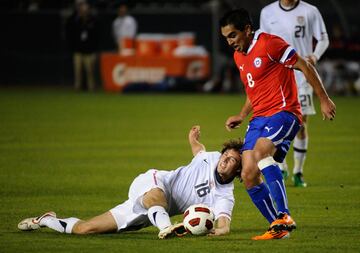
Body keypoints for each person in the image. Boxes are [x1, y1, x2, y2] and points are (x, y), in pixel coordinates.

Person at [220, 8, 335, 240]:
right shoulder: (239, 56)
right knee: (249, 173)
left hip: (285, 112)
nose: (230, 42)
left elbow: (304, 65)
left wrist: (323, 98)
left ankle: (284, 215)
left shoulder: (270, 44)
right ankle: (278, 227)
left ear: (247, 30)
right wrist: (242, 115)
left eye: (233, 35)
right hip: (258, 118)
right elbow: (253, 89)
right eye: (226, 38)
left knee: (262, 152)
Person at [18, 126, 243, 239]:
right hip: (154, 182)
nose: (225, 160)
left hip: (150, 213)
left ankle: (47, 220)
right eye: (226, 155)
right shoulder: (211, 157)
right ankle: (166, 229)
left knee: (86, 229)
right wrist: (193, 140)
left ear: (239, 171)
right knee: (157, 197)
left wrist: (221, 231)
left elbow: (224, 221)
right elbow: (200, 152)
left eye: (232, 160)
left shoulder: (224, 195)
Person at [260, 0, 330, 187]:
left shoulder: (310, 11)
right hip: (276, 77)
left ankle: (298, 171)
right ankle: (281, 167)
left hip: (301, 76)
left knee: (300, 124)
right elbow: (261, 41)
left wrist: (314, 56)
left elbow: (323, 38)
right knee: (276, 121)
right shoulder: (267, 12)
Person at [65, 0, 99, 91]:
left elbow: (97, 36)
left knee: (90, 72)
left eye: (84, 6)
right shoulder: (74, 19)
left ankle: (92, 88)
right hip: (78, 51)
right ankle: (77, 87)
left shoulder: (93, 20)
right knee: (77, 72)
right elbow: (69, 35)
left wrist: (94, 49)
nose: (82, 8)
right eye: (80, 6)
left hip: (89, 51)